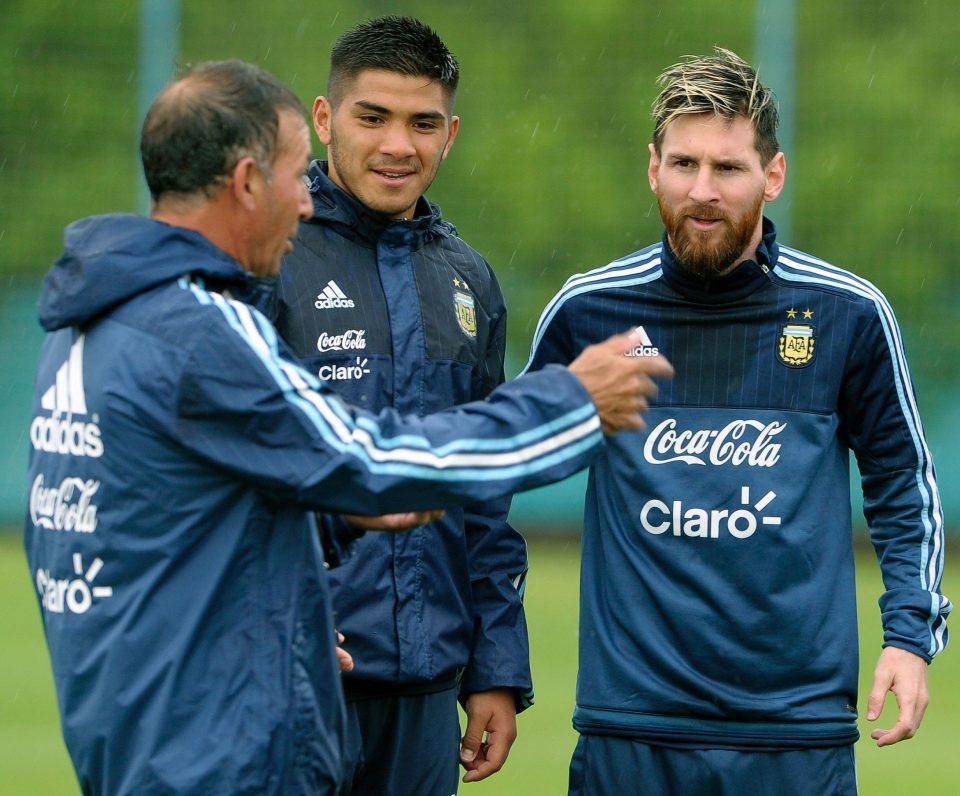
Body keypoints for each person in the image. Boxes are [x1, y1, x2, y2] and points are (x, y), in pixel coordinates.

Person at [23, 60, 673, 796]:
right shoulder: (197, 332)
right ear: (245, 184)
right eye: (298, 175)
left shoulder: (91, 324)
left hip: (145, 733)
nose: (305, 203)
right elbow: (374, 459)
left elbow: (185, 517)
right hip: (211, 755)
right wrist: (572, 400)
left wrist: (293, 601)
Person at [523, 47, 950, 795]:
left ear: (773, 176)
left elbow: (903, 486)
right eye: (683, 164)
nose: (703, 190)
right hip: (631, 730)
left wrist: (911, 637)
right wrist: (492, 661)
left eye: (728, 168)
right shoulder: (589, 313)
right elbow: (494, 473)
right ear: (652, 167)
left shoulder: (847, 314)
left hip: (795, 733)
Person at [267, 16, 534, 793]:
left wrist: (495, 667)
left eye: (421, 124)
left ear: (449, 134)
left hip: (426, 690)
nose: (398, 145)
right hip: (297, 674)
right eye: (372, 117)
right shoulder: (269, 254)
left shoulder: (469, 281)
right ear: (325, 120)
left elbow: (484, 490)